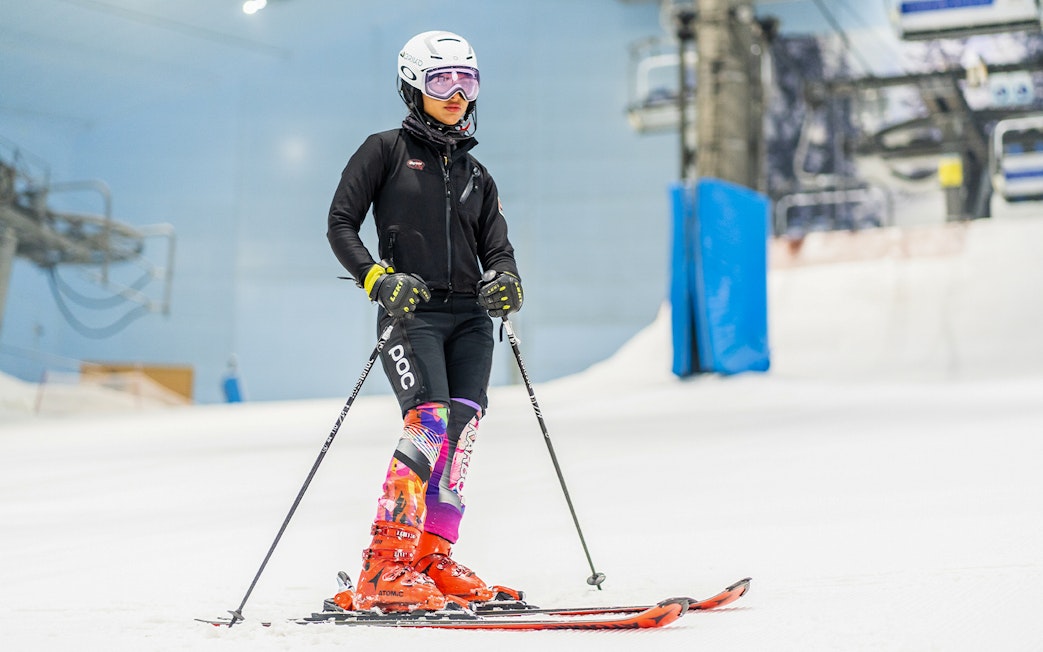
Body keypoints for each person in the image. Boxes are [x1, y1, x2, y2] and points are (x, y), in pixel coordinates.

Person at [326, 30, 524, 613]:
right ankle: (386, 565)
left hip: (469, 319)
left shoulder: (478, 176)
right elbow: (340, 224)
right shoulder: (383, 150)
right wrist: (377, 278)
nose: (457, 92)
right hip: (412, 314)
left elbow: (499, 251)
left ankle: (432, 557)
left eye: (468, 79)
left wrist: (506, 281)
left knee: (460, 435)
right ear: (413, 84)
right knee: (428, 425)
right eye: (442, 80)